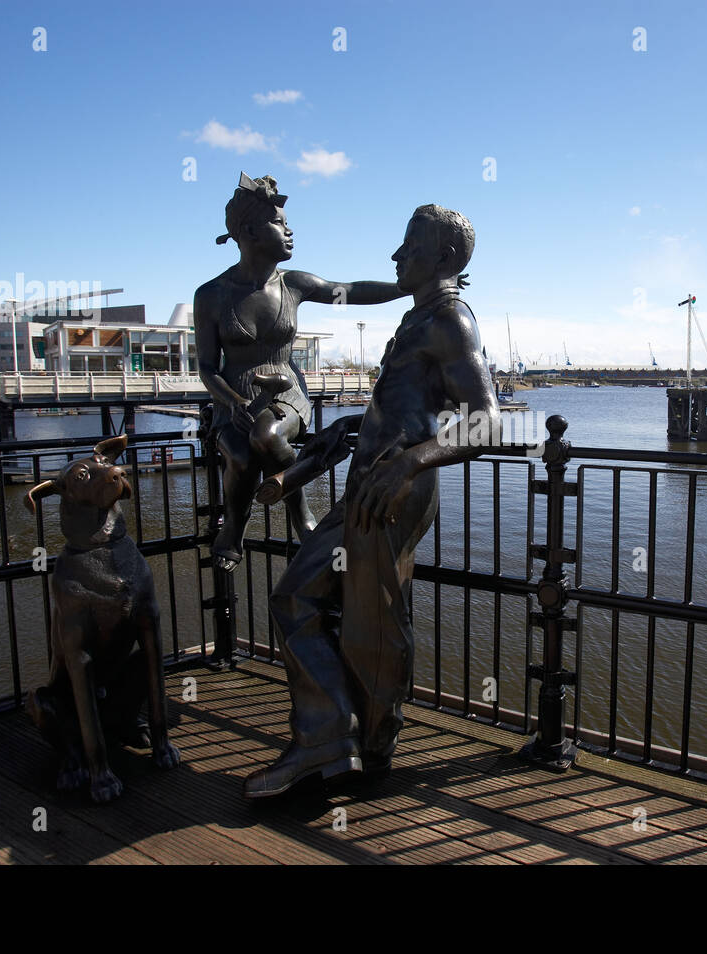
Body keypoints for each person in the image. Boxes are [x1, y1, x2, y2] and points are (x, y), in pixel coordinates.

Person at [244, 204, 499, 797]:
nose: (395, 255)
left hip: (393, 490)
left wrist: (412, 459)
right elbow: (406, 411)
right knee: (313, 602)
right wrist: (354, 428)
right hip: (371, 484)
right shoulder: (419, 320)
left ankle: (351, 746)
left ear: (445, 259)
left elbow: (486, 424)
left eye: (410, 243)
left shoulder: (451, 321)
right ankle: (338, 740)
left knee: (368, 622)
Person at [193, 173, 407, 572]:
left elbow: (350, 290)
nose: (290, 232)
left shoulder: (293, 284)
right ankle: (235, 527)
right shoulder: (210, 295)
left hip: (283, 391)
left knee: (265, 435)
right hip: (233, 397)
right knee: (239, 455)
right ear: (250, 231)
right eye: (280, 224)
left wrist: (409, 286)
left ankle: (299, 510)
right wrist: (233, 401)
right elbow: (206, 368)